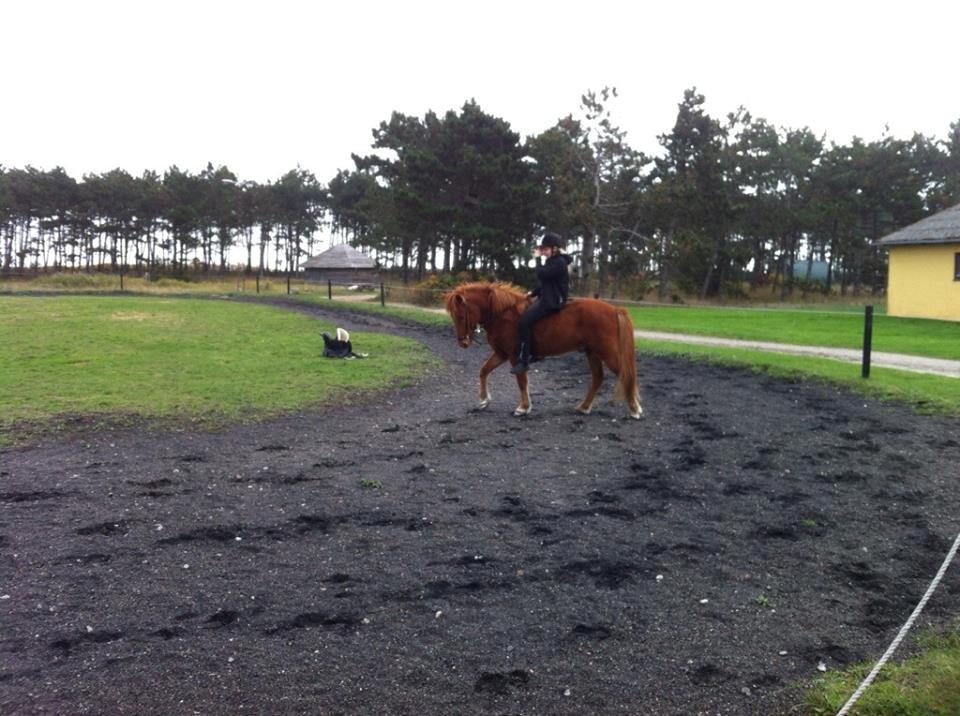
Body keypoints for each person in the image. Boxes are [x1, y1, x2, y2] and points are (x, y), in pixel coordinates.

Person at [511, 232, 574, 375]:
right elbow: (545, 283)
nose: (543, 252)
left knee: (523, 323)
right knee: (527, 315)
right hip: (547, 297)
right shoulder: (554, 261)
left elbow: (542, 274)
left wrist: (536, 259)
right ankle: (536, 352)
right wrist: (531, 294)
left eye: (545, 249)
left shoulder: (559, 262)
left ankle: (523, 361)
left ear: (555, 249)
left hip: (552, 301)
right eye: (543, 249)